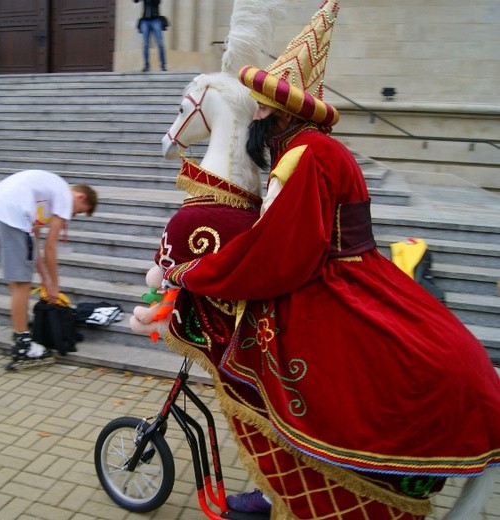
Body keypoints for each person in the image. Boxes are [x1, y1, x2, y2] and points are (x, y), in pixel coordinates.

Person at [163, 1, 500, 518]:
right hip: (355, 269)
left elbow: (282, 252)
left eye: (259, 108)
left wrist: (200, 272)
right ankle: (275, 487)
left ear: (277, 114)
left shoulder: (306, 154)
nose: (252, 115)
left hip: (332, 278)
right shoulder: (315, 148)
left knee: (282, 368)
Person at [0, 170, 97, 368]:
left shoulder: (45, 195)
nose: (72, 215)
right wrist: (55, 286)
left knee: (16, 281)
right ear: (80, 196)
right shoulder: (64, 194)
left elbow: (33, 240)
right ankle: (22, 346)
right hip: (11, 213)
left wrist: (46, 280)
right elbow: (49, 247)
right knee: (22, 284)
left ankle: (19, 331)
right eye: (78, 211)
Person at [135, 0, 166, 72]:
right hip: (145, 21)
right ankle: (146, 65)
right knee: (145, 44)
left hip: (156, 20)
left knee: (160, 44)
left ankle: (163, 65)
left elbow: (157, 2)